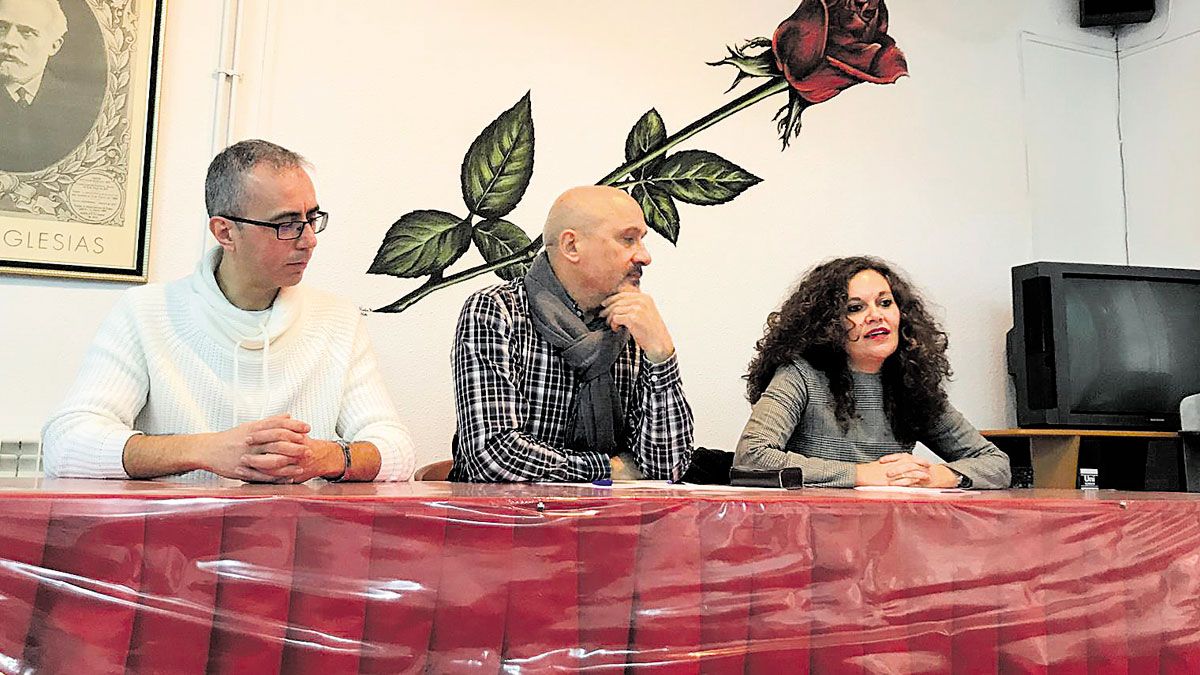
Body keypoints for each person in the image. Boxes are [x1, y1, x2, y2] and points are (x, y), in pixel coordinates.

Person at [42, 139, 416, 482]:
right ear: (224, 232)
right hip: (175, 544)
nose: (309, 240)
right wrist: (206, 450)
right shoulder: (146, 312)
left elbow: (397, 450)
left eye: (312, 219)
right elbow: (66, 443)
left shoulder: (338, 321)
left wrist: (325, 457)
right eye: (286, 224)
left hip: (298, 543)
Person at [449, 185, 694, 482]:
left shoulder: (633, 322)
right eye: (628, 239)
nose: (644, 256)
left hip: (610, 524)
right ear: (571, 246)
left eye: (642, 241)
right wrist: (611, 469)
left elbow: (667, 468)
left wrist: (661, 354)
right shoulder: (498, 311)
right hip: (509, 523)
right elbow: (494, 455)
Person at [734, 256, 1011, 488]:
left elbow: (996, 464)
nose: (876, 315)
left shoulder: (910, 382)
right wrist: (863, 475)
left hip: (889, 536)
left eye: (885, 303)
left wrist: (934, 476)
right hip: (811, 534)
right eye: (855, 308)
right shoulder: (799, 375)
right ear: (826, 325)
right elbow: (752, 457)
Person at [0, 0, 102, 172]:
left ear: (54, 45)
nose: (9, 40)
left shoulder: (83, 108)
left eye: (27, 32)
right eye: (2, 28)